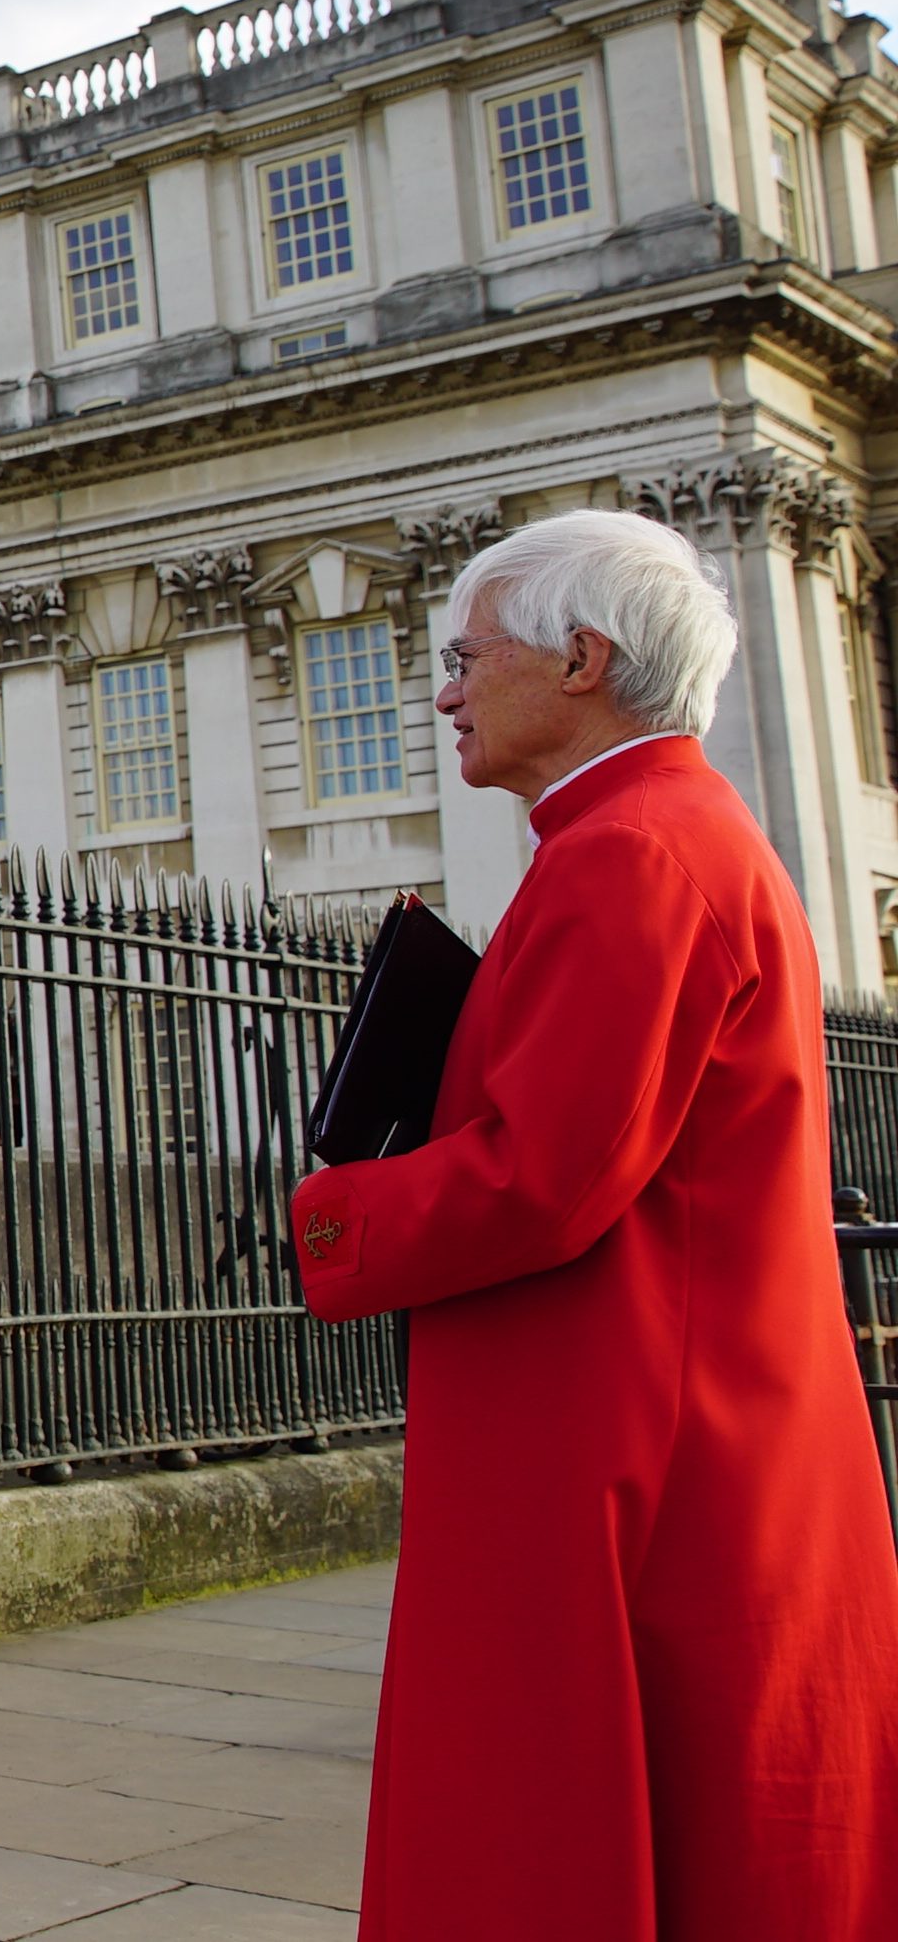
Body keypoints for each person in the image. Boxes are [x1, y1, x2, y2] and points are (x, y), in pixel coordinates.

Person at [289, 510, 898, 1940]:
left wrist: (334, 1217)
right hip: (683, 1407)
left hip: (630, 1438)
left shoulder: (630, 852)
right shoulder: (661, 834)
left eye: (466, 656)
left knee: (568, 1830)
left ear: (580, 658)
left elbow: (548, 1175)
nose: (445, 691)